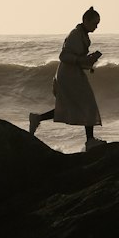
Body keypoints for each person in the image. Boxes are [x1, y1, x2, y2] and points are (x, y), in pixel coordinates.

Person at [29, 8, 104, 148]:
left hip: (72, 74)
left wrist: (89, 62)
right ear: (85, 21)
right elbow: (64, 56)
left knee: (68, 106)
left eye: (98, 23)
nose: (96, 27)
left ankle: (37, 118)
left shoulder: (82, 35)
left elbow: (76, 58)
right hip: (69, 76)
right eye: (94, 23)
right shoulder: (75, 34)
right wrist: (83, 60)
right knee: (88, 104)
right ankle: (90, 141)